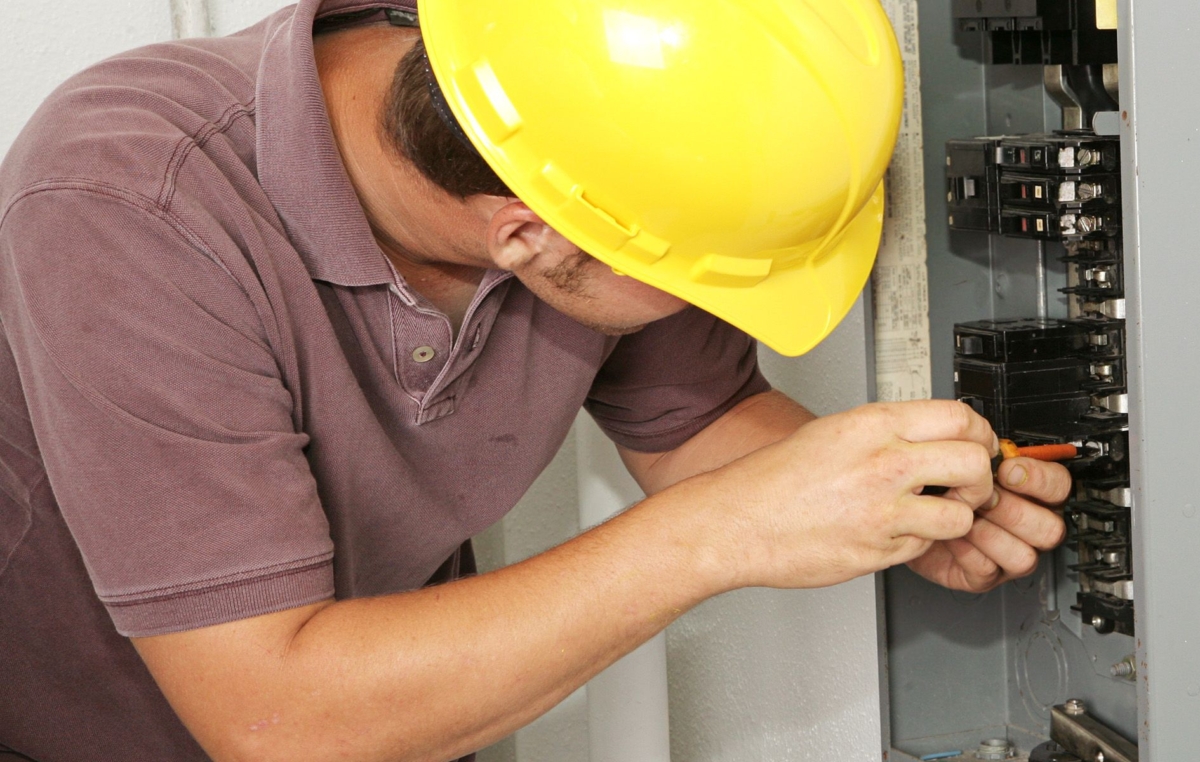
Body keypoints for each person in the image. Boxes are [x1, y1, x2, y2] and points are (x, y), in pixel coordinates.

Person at [0, 1, 1071, 761]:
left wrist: (911, 502)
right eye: (687, 279)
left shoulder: (576, 123)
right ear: (531, 237)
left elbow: (694, 418)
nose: (715, 308)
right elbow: (278, 722)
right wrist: (719, 534)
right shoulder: (128, 204)